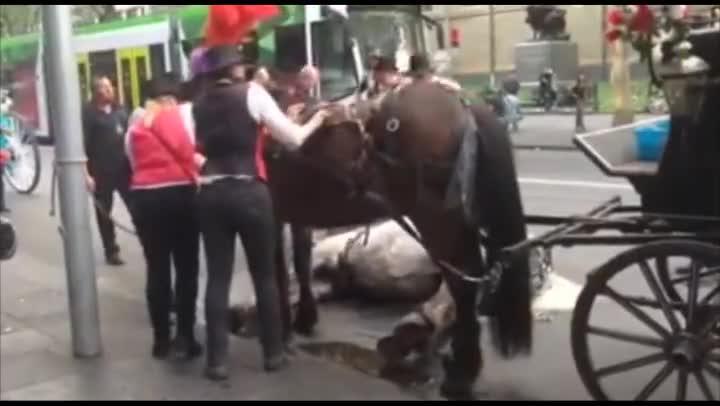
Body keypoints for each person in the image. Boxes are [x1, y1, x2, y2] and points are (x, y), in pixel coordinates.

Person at [192, 45, 330, 380]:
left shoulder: (198, 103)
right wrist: (318, 119)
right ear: (234, 70)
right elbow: (293, 139)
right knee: (265, 276)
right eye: (241, 65)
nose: (245, 70)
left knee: (218, 279)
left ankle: (217, 362)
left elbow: (198, 147)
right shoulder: (252, 93)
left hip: (210, 193)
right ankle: (273, 354)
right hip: (250, 192)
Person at [125, 73, 204, 360]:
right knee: (186, 269)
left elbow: (133, 162)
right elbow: (194, 152)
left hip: (145, 198)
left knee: (156, 269)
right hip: (181, 196)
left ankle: (160, 341)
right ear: (172, 97)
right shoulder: (184, 117)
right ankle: (186, 337)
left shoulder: (135, 126)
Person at [82, 75, 132, 266]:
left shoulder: (120, 111)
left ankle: (147, 239)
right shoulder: (89, 114)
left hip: (124, 170)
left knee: (136, 206)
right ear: (96, 92)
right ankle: (111, 250)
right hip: (101, 173)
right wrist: (86, 175)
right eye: (104, 87)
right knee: (105, 214)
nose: (110, 90)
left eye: (110, 86)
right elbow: (82, 147)